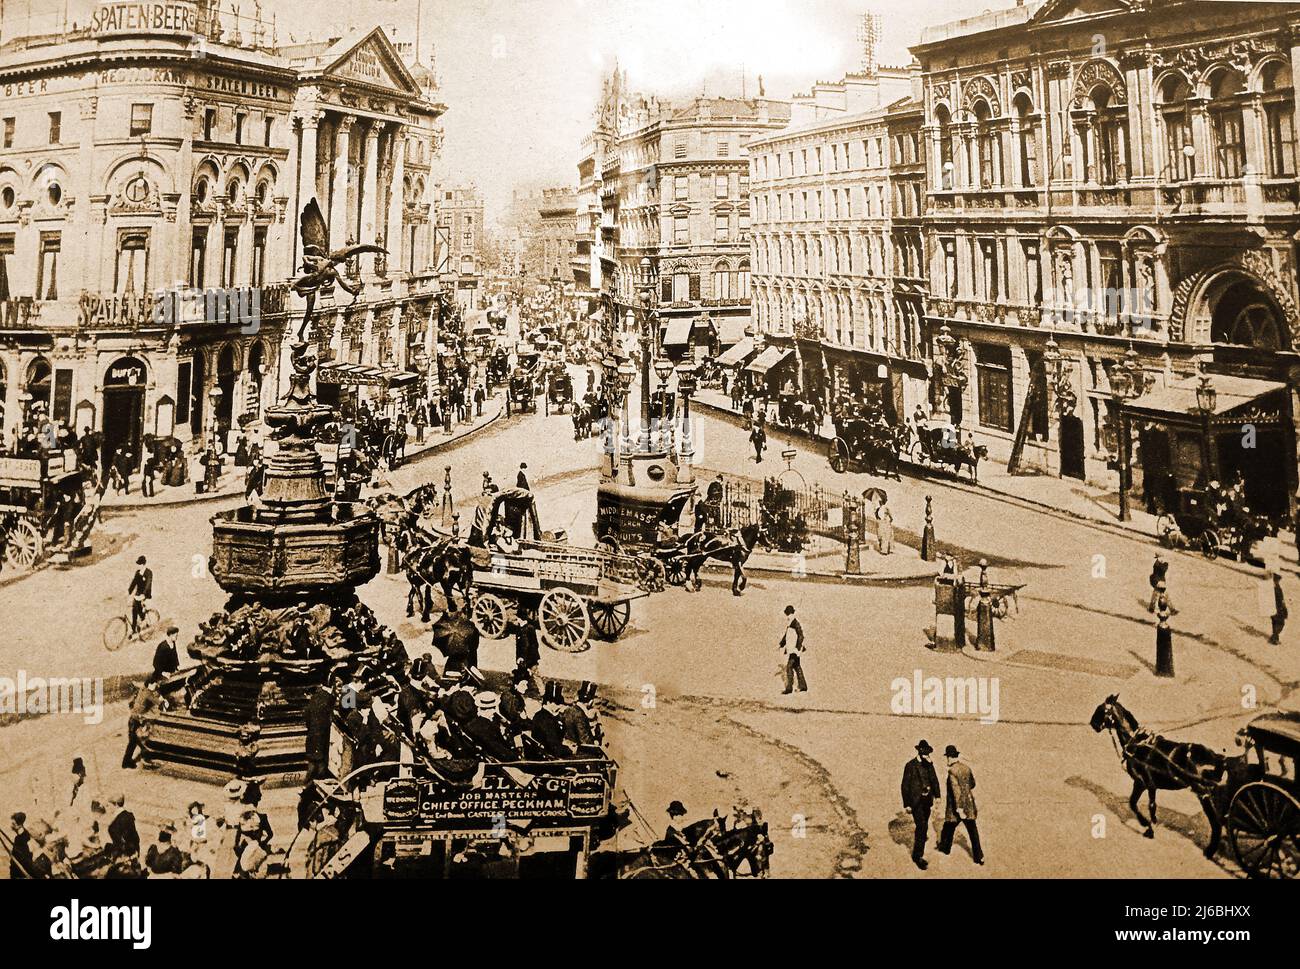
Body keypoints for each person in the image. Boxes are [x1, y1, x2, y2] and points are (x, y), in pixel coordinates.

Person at [936, 745, 984, 865]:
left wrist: (959, 808)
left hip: (956, 808)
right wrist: (966, 791)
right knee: (973, 831)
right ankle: (979, 856)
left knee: (948, 827)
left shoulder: (952, 771)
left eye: (947, 757)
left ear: (951, 758)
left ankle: (945, 848)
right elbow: (972, 784)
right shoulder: (966, 768)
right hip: (969, 804)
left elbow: (956, 792)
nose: (947, 760)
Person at [901, 740, 941, 870]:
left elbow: (934, 780)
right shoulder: (910, 766)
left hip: (927, 801)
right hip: (915, 803)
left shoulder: (929, 764)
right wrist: (907, 804)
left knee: (923, 826)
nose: (928, 757)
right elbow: (905, 786)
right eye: (925, 754)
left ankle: (920, 840)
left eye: (928, 754)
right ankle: (917, 856)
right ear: (919, 752)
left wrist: (938, 796)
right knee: (922, 827)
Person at [122, 680, 164, 769]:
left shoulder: (143, 690)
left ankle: (127, 761)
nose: (156, 685)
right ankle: (136, 759)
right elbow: (158, 701)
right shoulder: (148, 693)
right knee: (136, 742)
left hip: (134, 720)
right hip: (135, 721)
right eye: (154, 684)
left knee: (133, 742)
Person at [779, 605, 807, 694]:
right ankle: (803, 686)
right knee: (797, 666)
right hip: (793, 649)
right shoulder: (792, 622)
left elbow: (801, 635)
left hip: (794, 649)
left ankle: (789, 688)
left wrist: (797, 648)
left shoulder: (794, 622)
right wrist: (782, 643)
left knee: (789, 667)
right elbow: (787, 635)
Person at [107, 793, 140, 865]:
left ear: (115, 804)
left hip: (124, 856)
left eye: (108, 805)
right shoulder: (125, 816)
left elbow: (127, 840)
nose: (107, 808)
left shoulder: (124, 818)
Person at [514, 617, 543, 697]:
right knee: (530, 674)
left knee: (533, 674)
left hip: (528, 657)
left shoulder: (526, 629)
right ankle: (523, 690)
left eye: (517, 619)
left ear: (520, 619)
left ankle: (541, 692)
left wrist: (522, 658)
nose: (516, 621)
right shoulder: (527, 628)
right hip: (528, 657)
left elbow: (527, 645)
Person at [128, 555, 153, 636]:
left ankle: (144, 621)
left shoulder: (148, 573)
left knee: (138, 608)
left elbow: (148, 584)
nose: (138, 566)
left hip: (145, 594)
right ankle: (134, 629)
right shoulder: (137, 572)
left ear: (143, 564)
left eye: (140, 564)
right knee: (134, 610)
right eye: (138, 564)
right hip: (138, 594)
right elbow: (134, 582)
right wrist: (129, 591)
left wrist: (144, 594)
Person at [9, 812, 33, 878]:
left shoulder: (24, 838)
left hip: (20, 874)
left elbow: (29, 855)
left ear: (19, 825)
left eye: (13, 824)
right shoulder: (21, 836)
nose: (11, 826)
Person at [1268, 571, 1288, 645]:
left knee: (1275, 623)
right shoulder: (1275, 588)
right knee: (1280, 623)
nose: (1278, 581)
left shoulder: (1274, 587)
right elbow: (1279, 599)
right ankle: (1274, 638)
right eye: (1278, 579)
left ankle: (1274, 638)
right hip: (1277, 608)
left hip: (1274, 607)